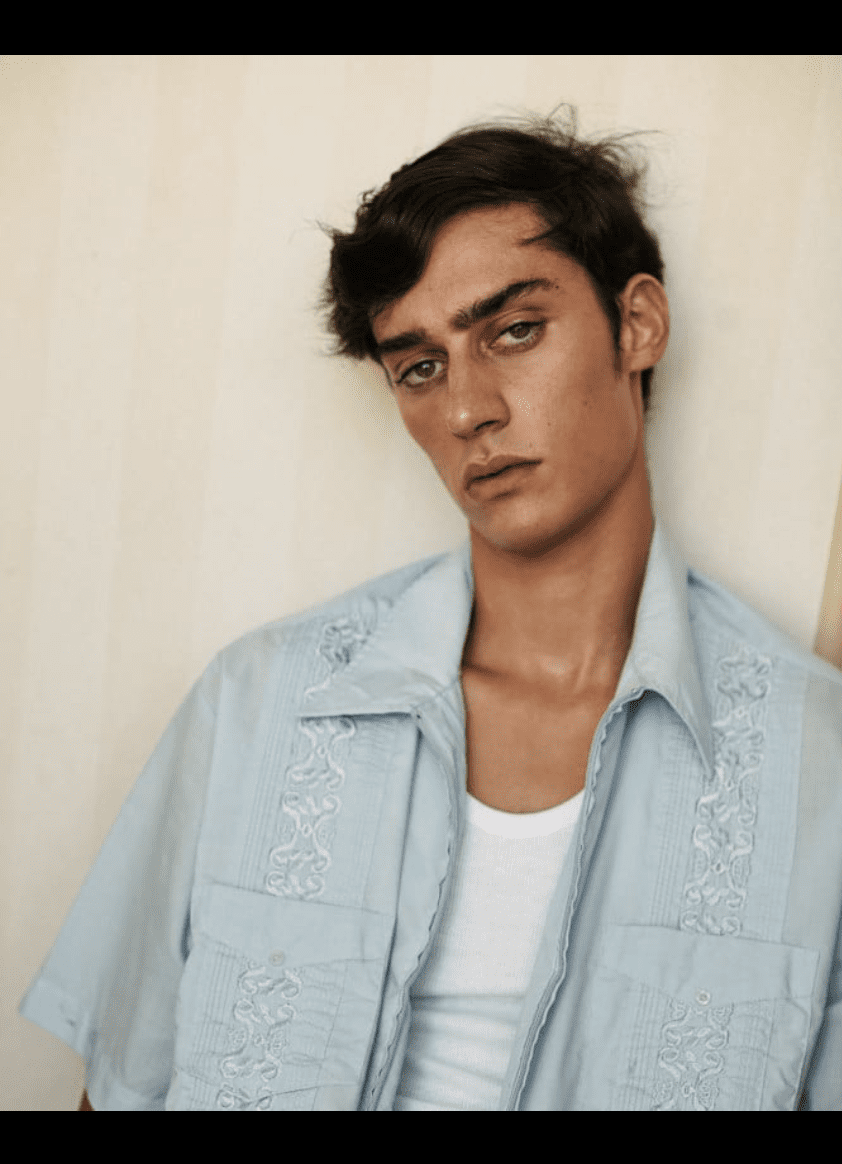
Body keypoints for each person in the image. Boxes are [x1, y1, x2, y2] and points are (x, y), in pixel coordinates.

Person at [21, 112, 842, 1111]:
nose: (466, 409)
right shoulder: (260, 704)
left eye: (515, 331)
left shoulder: (818, 763)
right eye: (419, 366)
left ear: (636, 325)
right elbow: (118, 1089)